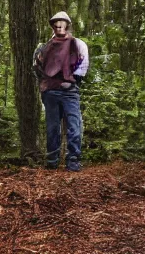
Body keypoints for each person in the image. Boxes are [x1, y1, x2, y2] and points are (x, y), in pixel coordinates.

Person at [33, 11, 89, 172]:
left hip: (70, 91)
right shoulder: (44, 47)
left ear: (67, 25)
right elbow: (37, 66)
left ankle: (73, 160)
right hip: (50, 91)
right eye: (56, 24)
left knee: (73, 125)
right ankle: (52, 159)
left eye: (62, 23)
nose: (59, 26)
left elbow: (83, 64)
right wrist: (47, 83)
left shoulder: (77, 44)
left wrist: (71, 82)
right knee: (52, 127)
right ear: (52, 26)